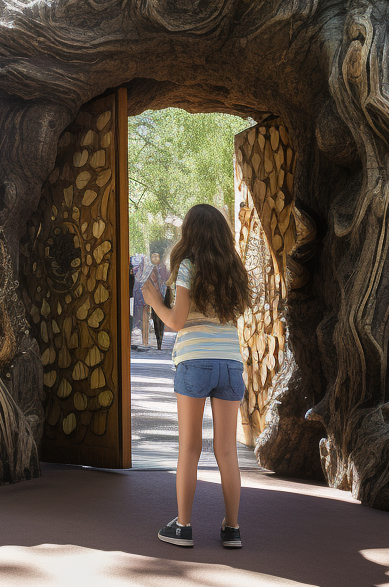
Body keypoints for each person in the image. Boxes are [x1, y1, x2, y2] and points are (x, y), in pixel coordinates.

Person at [142, 204, 250, 549]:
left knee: (189, 449)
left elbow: (176, 321)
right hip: (230, 364)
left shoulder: (189, 266)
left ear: (191, 233)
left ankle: (184, 527)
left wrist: (154, 301)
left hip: (195, 362)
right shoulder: (234, 269)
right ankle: (232, 529)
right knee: (227, 451)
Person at [132, 246, 168, 349]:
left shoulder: (162, 268)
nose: (155, 258)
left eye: (157, 256)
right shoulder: (145, 266)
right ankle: (145, 341)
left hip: (158, 297)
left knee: (158, 319)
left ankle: (158, 342)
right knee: (145, 318)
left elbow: (165, 280)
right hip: (146, 297)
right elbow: (139, 280)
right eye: (153, 256)